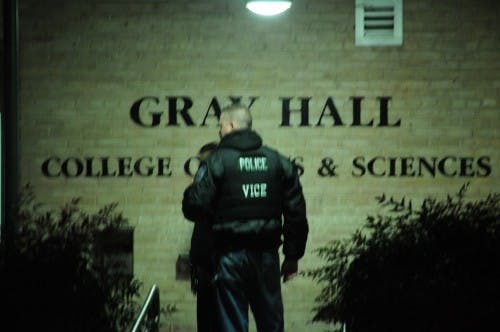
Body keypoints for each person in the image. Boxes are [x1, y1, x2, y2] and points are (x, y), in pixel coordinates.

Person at [182, 103, 309, 332]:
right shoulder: (278, 161)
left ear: (230, 125)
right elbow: (296, 211)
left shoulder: (217, 161)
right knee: (271, 324)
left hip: (229, 256)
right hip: (267, 256)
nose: (219, 132)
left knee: (231, 325)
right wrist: (292, 256)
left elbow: (193, 206)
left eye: (220, 126)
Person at [188, 141, 218, 332]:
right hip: (208, 260)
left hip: (213, 260)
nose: (201, 168)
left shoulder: (211, 184)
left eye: (203, 163)